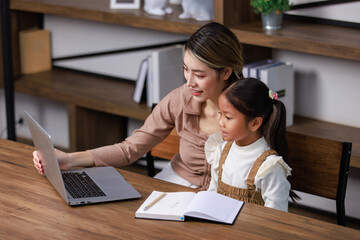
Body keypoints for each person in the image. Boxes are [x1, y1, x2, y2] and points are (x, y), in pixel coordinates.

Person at [33, 22, 244, 190]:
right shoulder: (179, 99)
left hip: (229, 194)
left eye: (199, 75)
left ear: (225, 73)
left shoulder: (253, 109)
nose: (189, 82)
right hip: (177, 185)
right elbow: (130, 149)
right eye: (186, 70)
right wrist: (69, 159)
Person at [205, 78, 294, 211]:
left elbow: (276, 217)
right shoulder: (221, 150)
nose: (221, 122)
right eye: (220, 113)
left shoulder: (269, 167)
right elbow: (212, 193)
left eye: (228, 117)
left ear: (254, 123)